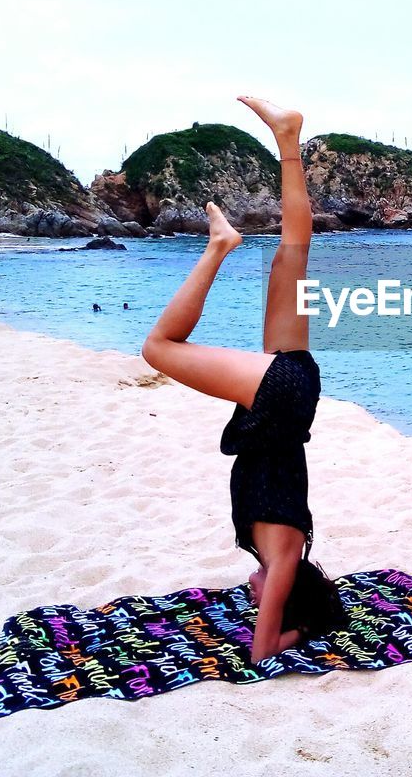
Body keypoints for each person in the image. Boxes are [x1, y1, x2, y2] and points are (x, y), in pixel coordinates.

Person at [141, 95, 345, 662]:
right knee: (158, 348)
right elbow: (262, 653)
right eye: (267, 602)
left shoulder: (290, 546)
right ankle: (219, 247)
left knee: (292, 254)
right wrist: (298, 630)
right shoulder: (283, 561)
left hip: (295, 388)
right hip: (280, 398)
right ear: (287, 598)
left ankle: (288, 139)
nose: (252, 597)